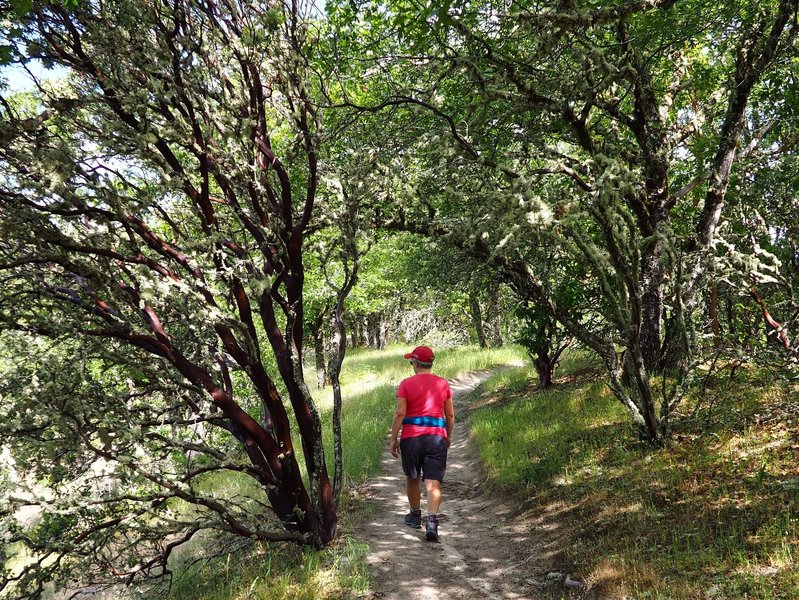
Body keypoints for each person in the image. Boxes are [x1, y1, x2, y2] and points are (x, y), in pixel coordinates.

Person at [390, 345, 454, 542]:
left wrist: (394, 438)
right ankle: (432, 522)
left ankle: (415, 515)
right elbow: (450, 414)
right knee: (433, 481)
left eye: (412, 362)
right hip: (436, 437)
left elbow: (400, 412)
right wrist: (447, 436)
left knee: (412, 478)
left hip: (412, 438)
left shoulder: (406, 384)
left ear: (416, 363)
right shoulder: (443, 384)